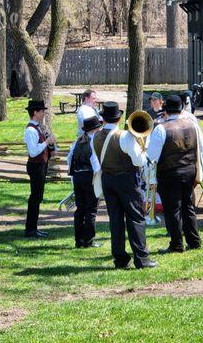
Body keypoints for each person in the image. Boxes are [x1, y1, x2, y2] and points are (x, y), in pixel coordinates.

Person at [91, 101, 157, 269]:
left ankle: (120, 259)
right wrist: (143, 147)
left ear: (103, 119)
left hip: (108, 180)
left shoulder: (96, 136)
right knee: (136, 218)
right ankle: (142, 259)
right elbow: (139, 161)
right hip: (126, 180)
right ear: (119, 118)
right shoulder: (124, 136)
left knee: (115, 220)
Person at [146, 95, 203, 253]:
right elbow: (202, 150)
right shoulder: (194, 125)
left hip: (169, 173)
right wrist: (198, 171)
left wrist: (149, 177)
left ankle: (177, 244)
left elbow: (152, 157)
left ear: (166, 109)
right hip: (190, 170)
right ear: (181, 108)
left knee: (172, 209)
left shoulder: (161, 128)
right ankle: (194, 241)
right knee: (188, 206)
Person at [66, 116, 102, 248]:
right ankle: (89, 240)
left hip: (77, 176)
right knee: (91, 209)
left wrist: (73, 174)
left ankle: (78, 240)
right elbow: (96, 164)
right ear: (96, 129)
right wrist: (98, 179)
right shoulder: (94, 142)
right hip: (89, 177)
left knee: (80, 209)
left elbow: (69, 159)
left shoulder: (77, 141)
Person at [24, 100, 57, 238]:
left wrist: (51, 148)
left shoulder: (38, 128)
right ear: (35, 112)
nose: (43, 113)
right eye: (41, 111)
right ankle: (30, 229)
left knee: (38, 197)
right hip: (36, 166)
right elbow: (33, 152)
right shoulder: (31, 130)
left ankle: (34, 228)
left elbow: (43, 147)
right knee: (35, 198)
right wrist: (46, 142)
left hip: (41, 165)